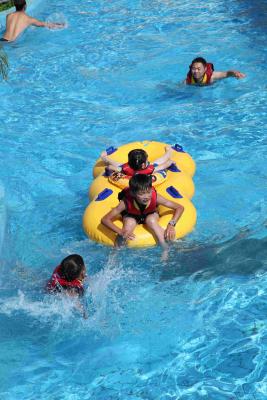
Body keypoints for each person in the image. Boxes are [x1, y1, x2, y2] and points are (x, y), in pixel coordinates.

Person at [101, 174, 184, 251]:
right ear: (133, 193)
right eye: (141, 194)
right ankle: (116, 254)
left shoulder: (156, 197)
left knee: (151, 220)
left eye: (148, 192)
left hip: (150, 215)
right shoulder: (125, 202)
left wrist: (171, 224)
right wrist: (120, 231)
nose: (146, 197)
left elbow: (179, 207)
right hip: (131, 215)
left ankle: (165, 250)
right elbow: (105, 219)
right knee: (129, 224)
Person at [101, 146, 174, 176]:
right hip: (145, 168)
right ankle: (169, 152)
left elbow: (109, 167)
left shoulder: (124, 169)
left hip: (125, 168)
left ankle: (104, 157)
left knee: (115, 163)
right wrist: (171, 162)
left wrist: (110, 172)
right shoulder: (151, 169)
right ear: (143, 165)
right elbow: (166, 164)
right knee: (158, 162)